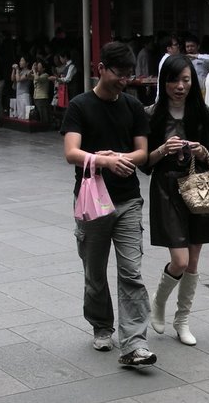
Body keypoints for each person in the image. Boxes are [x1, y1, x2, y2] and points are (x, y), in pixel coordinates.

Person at [61, 41, 156, 367]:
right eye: (119, 73)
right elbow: (71, 151)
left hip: (128, 200)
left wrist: (117, 159)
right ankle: (102, 325)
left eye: (129, 74)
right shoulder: (79, 106)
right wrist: (101, 160)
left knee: (131, 271)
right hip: (92, 202)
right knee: (95, 272)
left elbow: (142, 152)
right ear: (100, 69)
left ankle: (134, 343)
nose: (125, 80)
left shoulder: (131, 106)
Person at [142, 54, 209, 346]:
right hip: (166, 188)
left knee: (194, 260)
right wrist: (162, 149)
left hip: (197, 186)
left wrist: (200, 151)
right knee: (180, 259)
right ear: (165, 82)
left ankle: (182, 319)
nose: (181, 86)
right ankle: (159, 302)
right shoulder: (152, 114)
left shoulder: (202, 113)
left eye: (186, 80)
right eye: (175, 80)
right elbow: (144, 163)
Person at [31, 59, 52, 125]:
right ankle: (41, 126)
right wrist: (32, 69)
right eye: (37, 66)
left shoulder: (46, 75)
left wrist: (34, 71)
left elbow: (37, 79)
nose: (38, 68)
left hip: (42, 97)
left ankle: (46, 127)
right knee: (38, 115)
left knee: (43, 115)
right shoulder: (36, 74)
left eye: (39, 66)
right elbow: (28, 76)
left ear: (43, 68)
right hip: (36, 97)